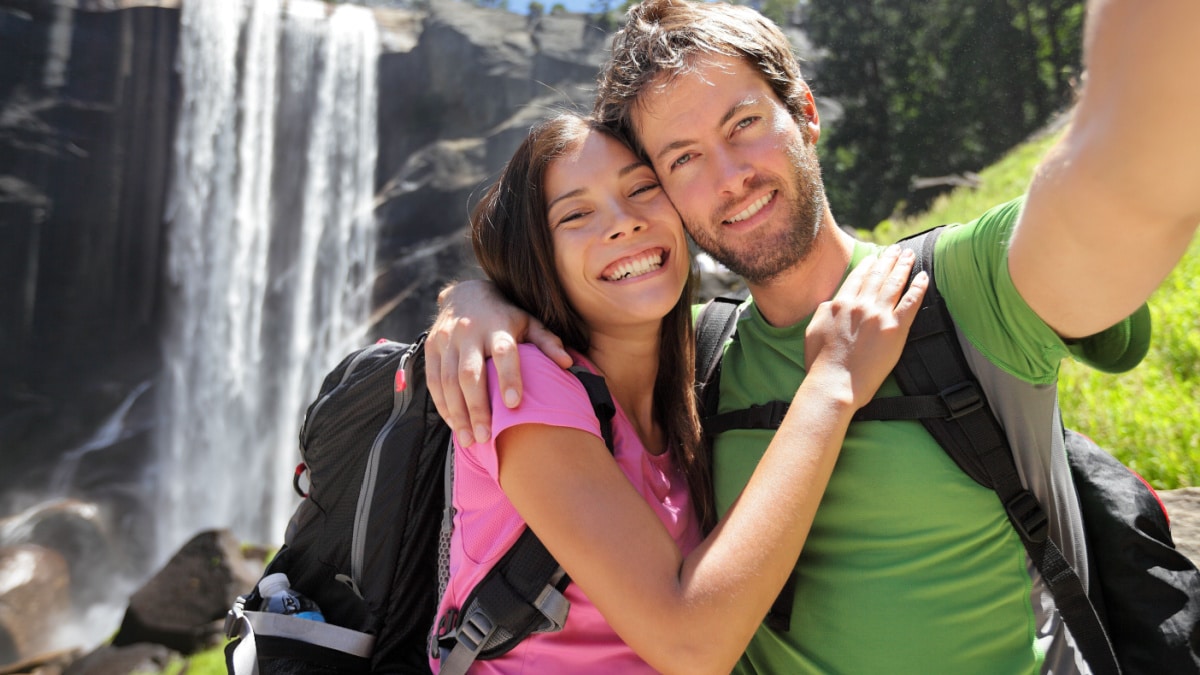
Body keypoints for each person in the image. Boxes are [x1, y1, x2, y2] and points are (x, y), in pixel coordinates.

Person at [426, 0, 1200, 672]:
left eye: (744, 124)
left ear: (805, 112)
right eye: (684, 158)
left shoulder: (962, 287)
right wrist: (476, 300)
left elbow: (1125, 185)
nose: (728, 175)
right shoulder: (694, 356)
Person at [429, 111, 927, 674]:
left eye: (642, 188)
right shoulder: (524, 379)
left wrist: (464, 295)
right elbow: (690, 645)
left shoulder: (694, 375)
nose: (624, 223)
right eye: (575, 214)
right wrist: (833, 383)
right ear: (537, 258)